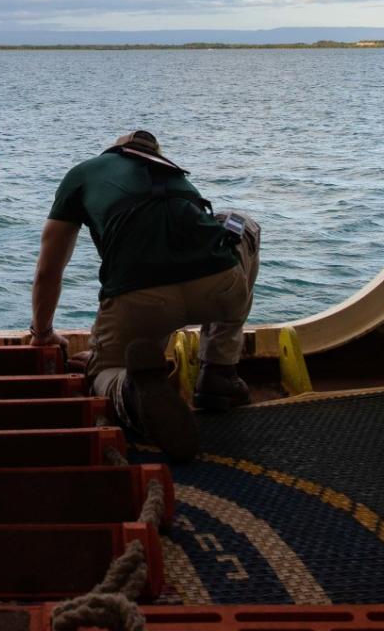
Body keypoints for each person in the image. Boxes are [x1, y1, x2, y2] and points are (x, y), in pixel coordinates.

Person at [28, 129, 259, 461]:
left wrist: (44, 334)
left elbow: (49, 269)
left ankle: (130, 390)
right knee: (241, 222)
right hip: (219, 287)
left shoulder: (84, 173)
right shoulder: (173, 173)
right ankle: (219, 372)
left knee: (103, 373)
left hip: (138, 300)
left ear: (113, 150)